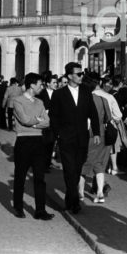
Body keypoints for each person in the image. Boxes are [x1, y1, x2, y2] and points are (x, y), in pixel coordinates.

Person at [49, 62, 101, 214]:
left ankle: (70, 198)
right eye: (79, 74)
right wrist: (57, 134)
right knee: (69, 170)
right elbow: (54, 116)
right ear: (70, 76)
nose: (81, 76)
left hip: (82, 138)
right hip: (66, 138)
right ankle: (74, 201)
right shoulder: (59, 94)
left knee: (77, 170)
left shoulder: (86, 91)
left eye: (82, 73)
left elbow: (93, 112)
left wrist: (96, 132)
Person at [12, 72, 54, 220]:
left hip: (38, 142)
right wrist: (38, 122)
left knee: (40, 178)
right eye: (40, 84)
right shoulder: (17, 101)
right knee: (20, 176)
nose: (41, 87)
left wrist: (34, 122)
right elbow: (23, 119)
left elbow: (48, 121)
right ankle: (18, 207)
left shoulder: (40, 102)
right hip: (23, 141)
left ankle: (40, 210)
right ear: (31, 85)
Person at [78, 75, 112, 204]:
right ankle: (100, 193)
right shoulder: (103, 99)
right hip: (101, 135)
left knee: (83, 163)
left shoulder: (82, 99)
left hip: (86, 134)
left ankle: (80, 193)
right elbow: (108, 118)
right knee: (99, 163)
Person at [38, 73, 59, 169]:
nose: (56, 84)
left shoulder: (58, 94)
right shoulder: (41, 94)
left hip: (54, 123)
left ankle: (47, 163)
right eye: (54, 82)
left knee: (51, 143)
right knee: (43, 144)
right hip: (43, 123)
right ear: (47, 83)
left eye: (56, 82)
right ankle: (41, 163)